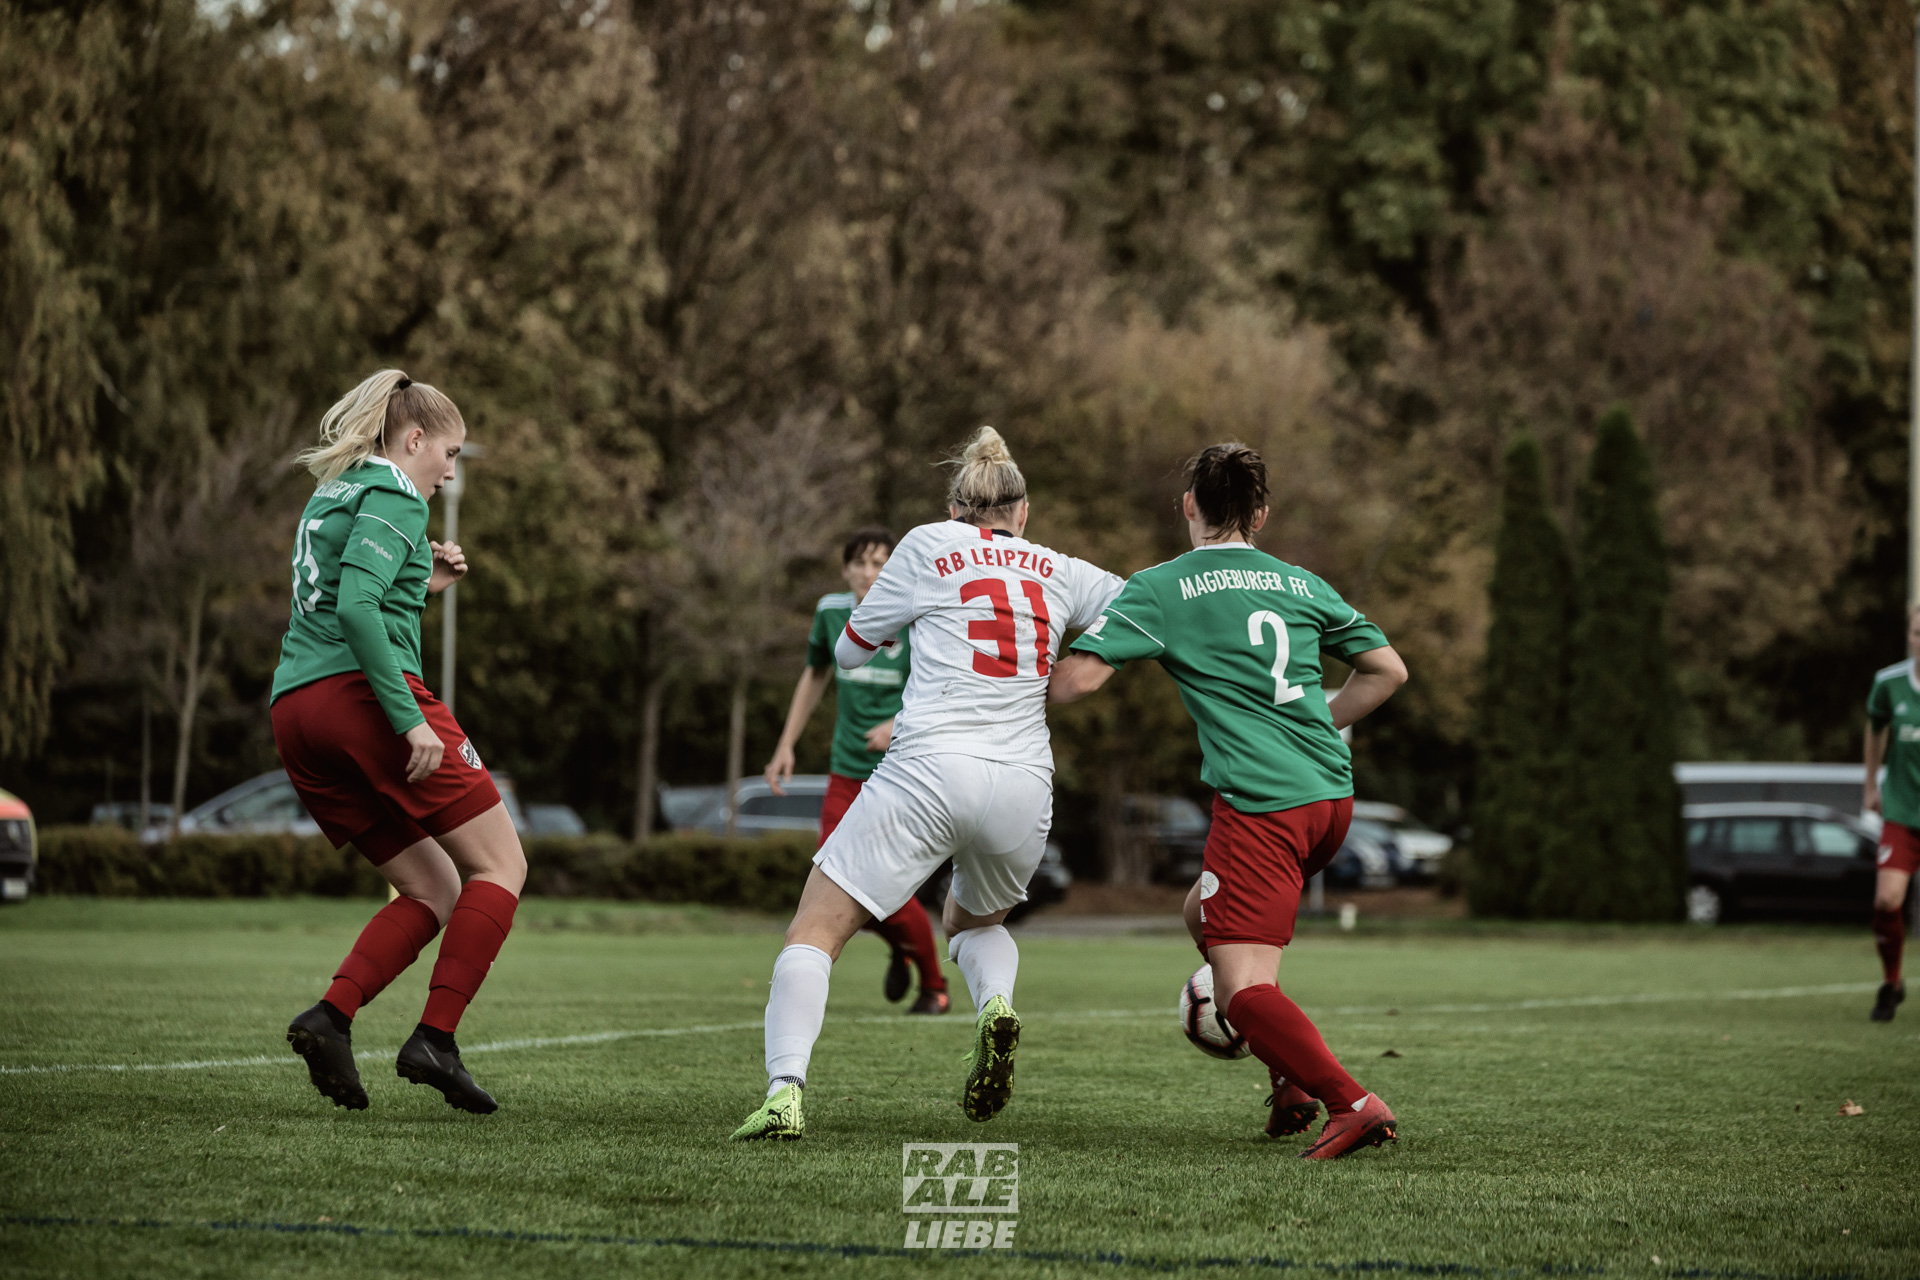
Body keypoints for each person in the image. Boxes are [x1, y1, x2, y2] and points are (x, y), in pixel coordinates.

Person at [731, 426, 1122, 1140]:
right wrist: (1090, 662)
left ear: (954, 510)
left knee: (813, 931)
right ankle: (995, 1004)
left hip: (930, 770)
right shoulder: (1061, 568)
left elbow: (850, 654)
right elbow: (1143, 608)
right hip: (1024, 784)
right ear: (1024, 512)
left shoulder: (927, 544)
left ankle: (784, 1092)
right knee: (975, 925)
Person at [1050, 443, 1408, 1160]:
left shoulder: (1161, 587)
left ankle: (1352, 1103)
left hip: (1262, 805)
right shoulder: (1301, 583)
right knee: (1201, 914)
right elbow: (1387, 671)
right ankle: (1290, 1081)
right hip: (1329, 801)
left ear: (1188, 505)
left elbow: (1075, 683)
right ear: (1261, 515)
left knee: (1241, 991)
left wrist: (997, 672)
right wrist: (1313, 721)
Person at [273, 370, 527, 1114]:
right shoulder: (394, 491)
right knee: (501, 865)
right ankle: (435, 1039)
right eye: (449, 453)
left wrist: (422, 581)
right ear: (414, 439)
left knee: (433, 888)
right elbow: (357, 610)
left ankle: (331, 1017)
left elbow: (346, 594)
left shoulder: (336, 491)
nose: (449, 471)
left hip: (297, 709)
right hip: (362, 698)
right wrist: (408, 718)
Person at [763, 528, 951, 1015]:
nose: (869, 573)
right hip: (845, 772)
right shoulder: (831, 612)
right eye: (860, 563)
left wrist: (897, 722)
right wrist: (785, 745)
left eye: (879, 563)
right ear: (846, 569)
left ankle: (935, 987)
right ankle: (903, 951)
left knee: (882, 886)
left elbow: (942, 682)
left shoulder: (915, 613)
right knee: (833, 878)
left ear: (894, 568)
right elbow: (814, 674)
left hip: (900, 773)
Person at [1862, 607, 1920, 1022]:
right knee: (1886, 900)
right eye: (1919, 632)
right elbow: (1875, 728)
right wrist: (1870, 784)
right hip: (1901, 810)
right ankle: (1892, 981)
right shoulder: (1889, 683)